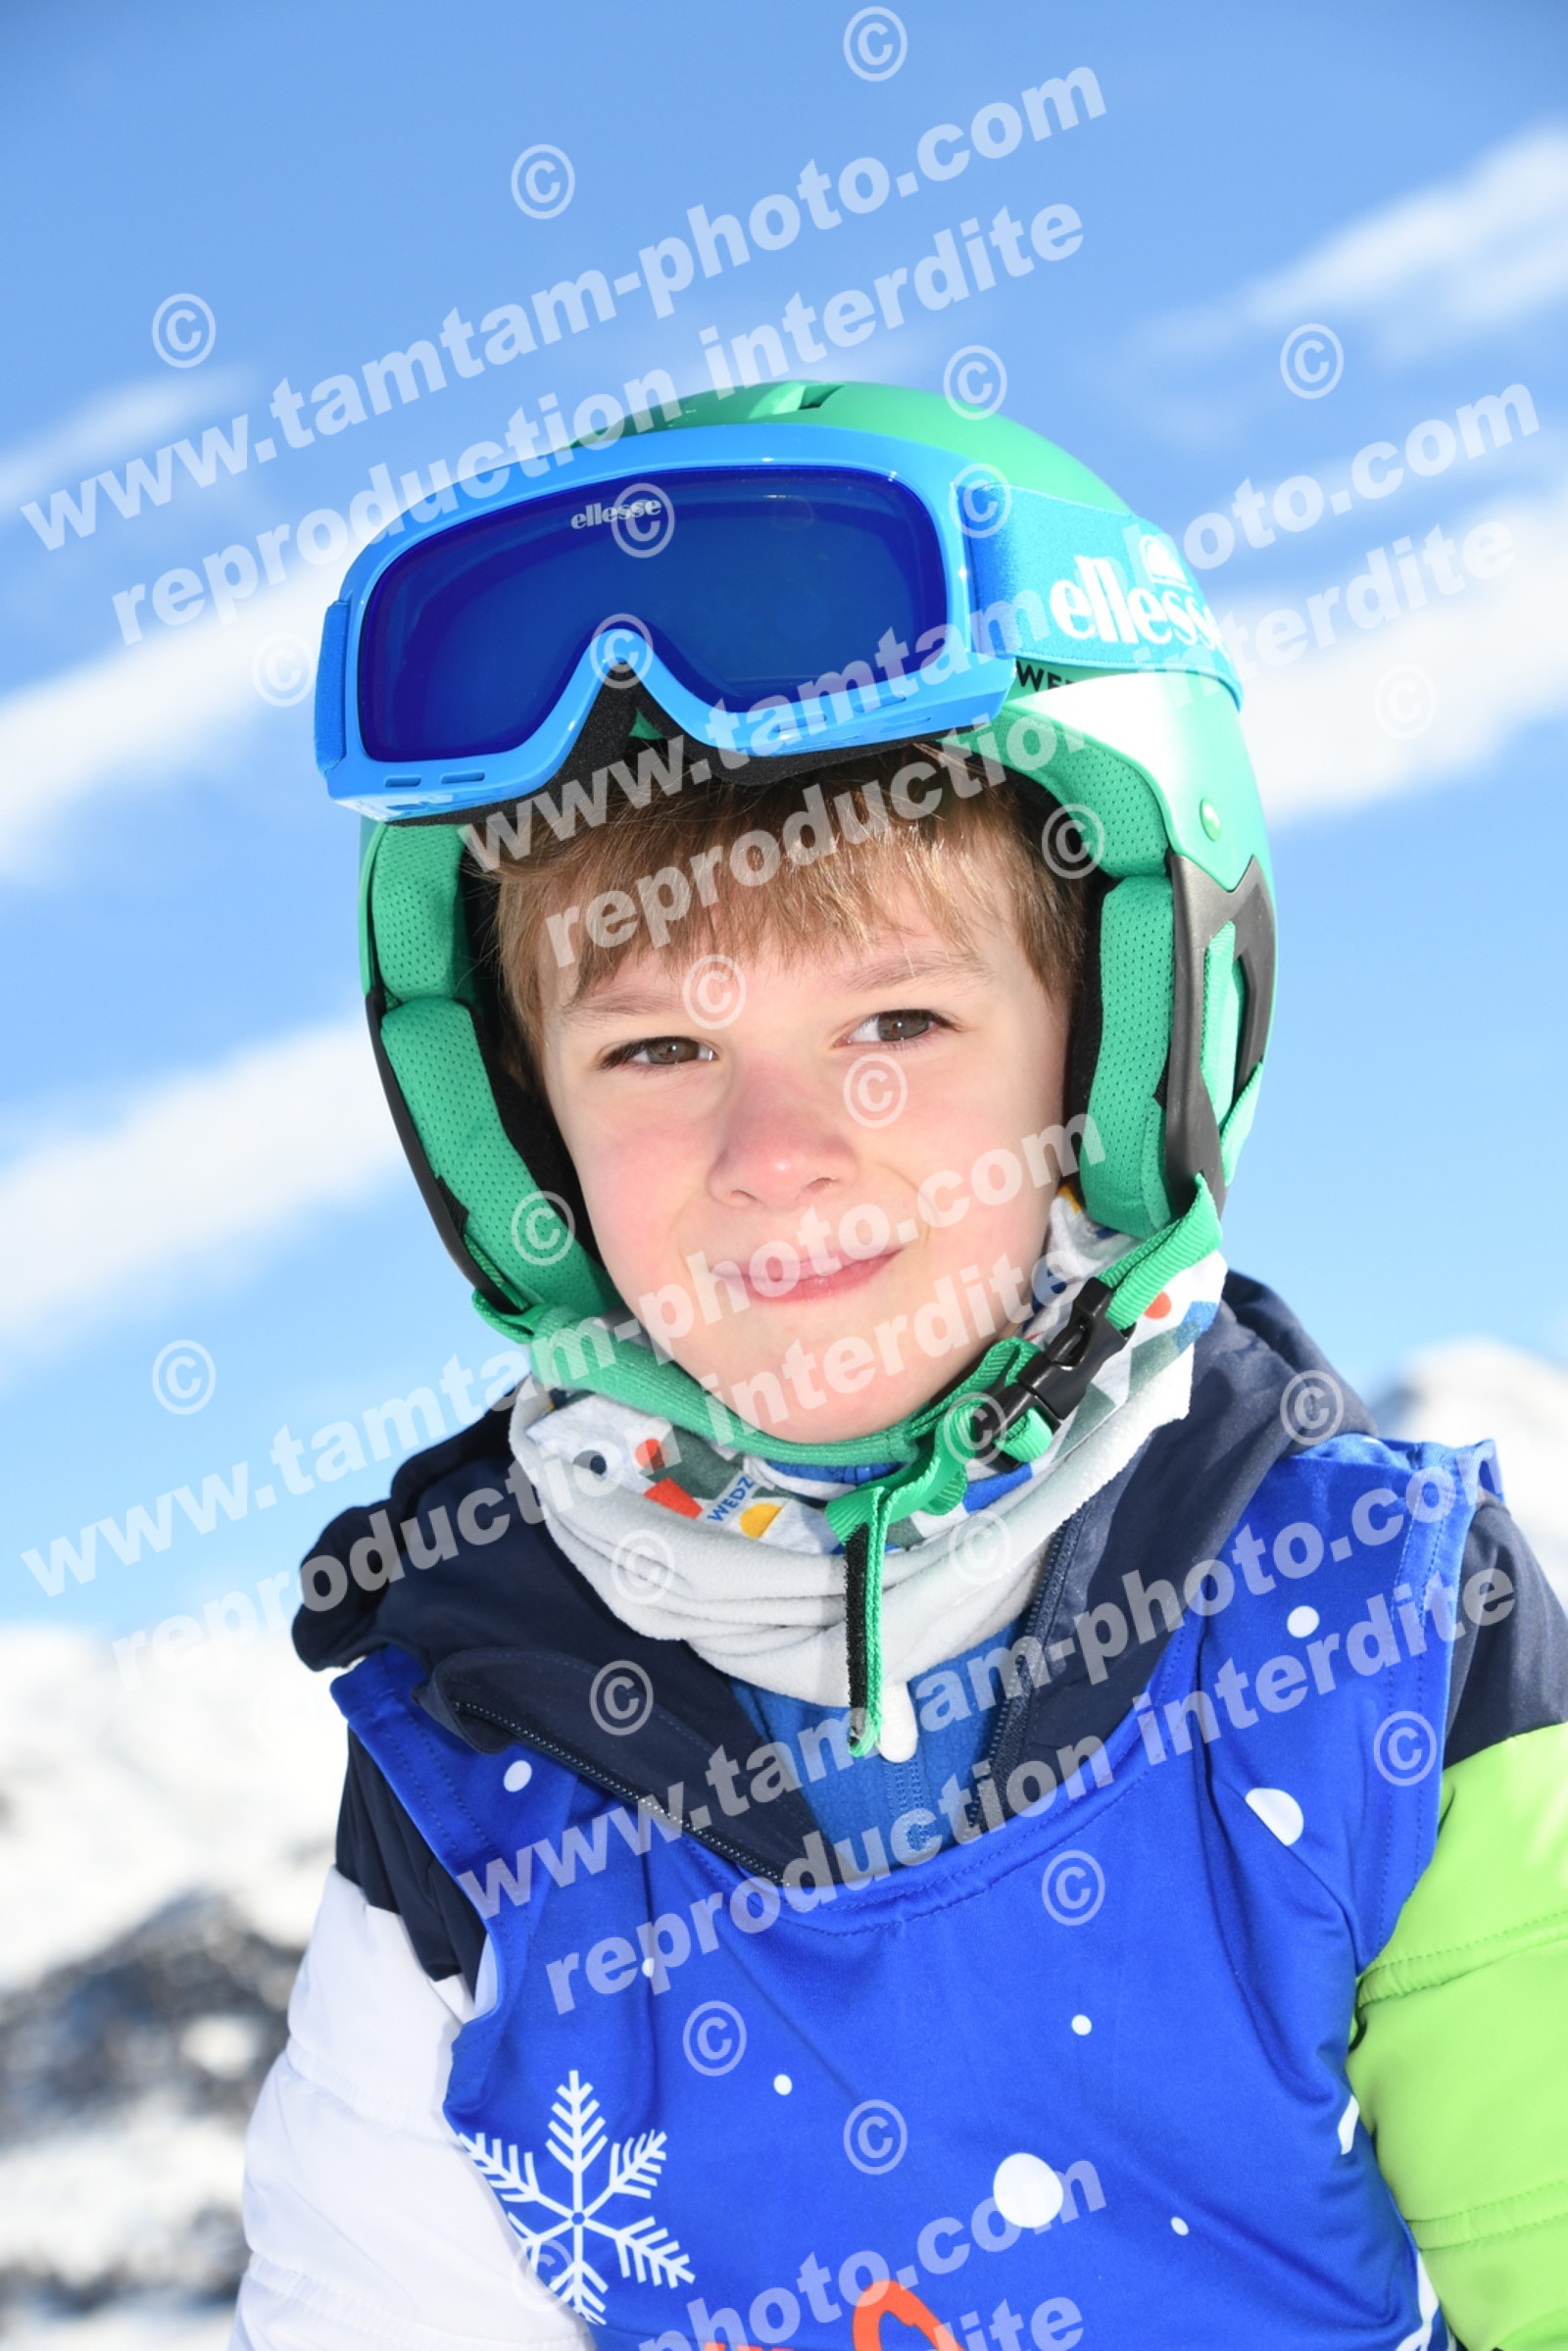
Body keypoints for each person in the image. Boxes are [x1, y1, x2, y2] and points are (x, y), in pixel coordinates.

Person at [230, 381, 1568, 2351]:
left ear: (1118, 1046)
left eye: (898, 1024)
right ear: (517, 1132)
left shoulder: (1361, 1627)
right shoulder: (477, 1749)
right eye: (655, 1050)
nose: (776, 1153)